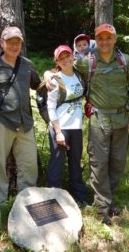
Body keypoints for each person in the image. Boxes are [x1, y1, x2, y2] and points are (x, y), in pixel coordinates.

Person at [74, 23, 129, 225]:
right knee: (99, 163)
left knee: (118, 163)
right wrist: (49, 74)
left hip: (121, 121)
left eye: (108, 38)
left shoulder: (126, 61)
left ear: (114, 39)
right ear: (97, 39)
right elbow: (65, 66)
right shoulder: (87, 61)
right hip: (98, 121)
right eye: (101, 38)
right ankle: (102, 207)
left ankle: (109, 198)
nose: (105, 42)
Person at [0, 26, 41, 206]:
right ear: (2, 43)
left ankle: (27, 203)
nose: (14, 46)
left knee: (29, 164)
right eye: (10, 42)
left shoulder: (27, 65)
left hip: (25, 122)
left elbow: (37, 85)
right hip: (2, 121)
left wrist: (52, 76)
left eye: (17, 42)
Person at [46, 45, 88, 206]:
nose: (65, 60)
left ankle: (80, 196)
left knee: (75, 162)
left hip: (76, 127)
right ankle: (54, 198)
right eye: (61, 58)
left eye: (67, 56)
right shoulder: (56, 80)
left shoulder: (79, 75)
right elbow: (50, 106)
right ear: (57, 61)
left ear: (73, 56)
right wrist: (58, 132)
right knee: (57, 163)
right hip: (60, 127)